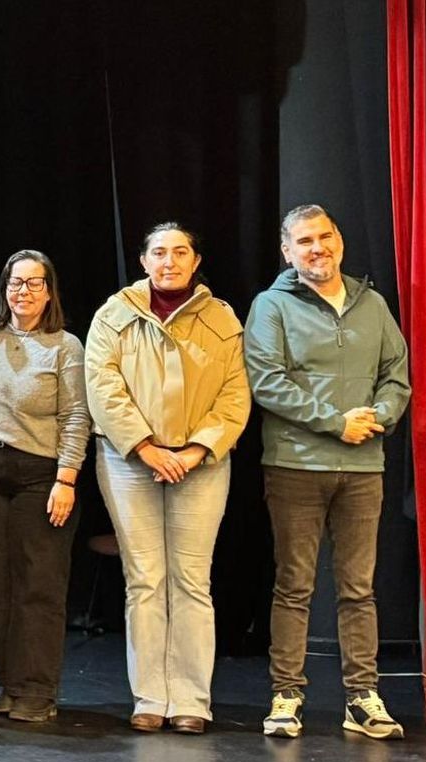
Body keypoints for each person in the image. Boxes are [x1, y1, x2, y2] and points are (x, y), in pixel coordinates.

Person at [244, 204, 411, 740]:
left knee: (359, 590)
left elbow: (396, 377)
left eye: (324, 237)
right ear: (287, 252)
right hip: (296, 465)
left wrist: (376, 418)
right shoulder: (271, 306)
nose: (317, 248)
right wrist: (335, 422)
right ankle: (286, 695)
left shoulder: (373, 304)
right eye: (304, 241)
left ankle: (362, 699)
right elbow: (266, 382)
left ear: (338, 240)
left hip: (363, 468)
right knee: (294, 586)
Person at [85, 223, 249, 735]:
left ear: (196, 261)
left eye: (181, 252)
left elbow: (235, 394)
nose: (170, 261)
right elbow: (103, 387)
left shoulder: (222, 319)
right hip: (129, 463)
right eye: (159, 252)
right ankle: (150, 697)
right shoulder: (114, 315)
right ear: (143, 260)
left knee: (191, 582)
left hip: (202, 467)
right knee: (145, 580)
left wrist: (198, 448)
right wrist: (148, 447)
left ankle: (192, 701)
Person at [0, 250, 90, 723]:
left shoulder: (65, 346)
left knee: (40, 586)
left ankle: (38, 690)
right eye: (14, 283)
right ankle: (9, 683)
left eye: (33, 283)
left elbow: (75, 417)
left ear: (48, 291)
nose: (22, 292)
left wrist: (66, 477)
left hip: (41, 475)